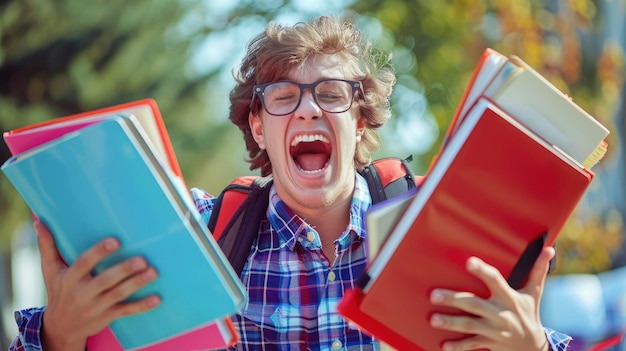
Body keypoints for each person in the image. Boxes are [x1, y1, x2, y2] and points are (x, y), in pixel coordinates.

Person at [10, 15, 571, 351]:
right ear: (258, 124)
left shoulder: (442, 222)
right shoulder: (199, 237)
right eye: (283, 98)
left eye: (331, 95)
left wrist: (534, 346)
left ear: (360, 120)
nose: (307, 112)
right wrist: (60, 337)